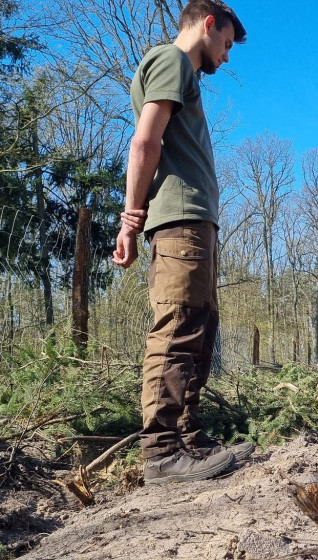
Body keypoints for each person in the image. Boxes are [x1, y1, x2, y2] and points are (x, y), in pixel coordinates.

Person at [112, 1, 253, 484]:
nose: (227, 57)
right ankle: (162, 451)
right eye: (227, 44)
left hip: (194, 222)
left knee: (199, 326)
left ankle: (188, 436)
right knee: (176, 328)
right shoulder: (171, 60)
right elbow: (144, 143)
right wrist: (130, 220)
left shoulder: (181, 73)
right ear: (208, 24)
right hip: (178, 221)